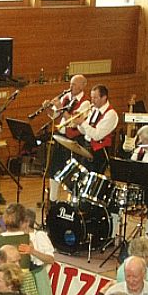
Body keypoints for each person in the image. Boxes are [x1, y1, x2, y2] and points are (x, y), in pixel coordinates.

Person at [45, 74, 87, 202]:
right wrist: (48, 108)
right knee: (54, 168)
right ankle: (52, 200)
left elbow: (73, 121)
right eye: (70, 84)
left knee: (71, 172)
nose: (71, 86)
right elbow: (54, 116)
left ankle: (72, 200)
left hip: (74, 139)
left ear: (82, 86)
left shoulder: (85, 102)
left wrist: (60, 109)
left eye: (74, 84)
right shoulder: (66, 97)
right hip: (61, 137)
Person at [78, 84, 119, 174]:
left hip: (99, 152)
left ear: (104, 98)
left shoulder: (110, 114)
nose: (92, 101)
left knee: (93, 178)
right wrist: (79, 124)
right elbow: (84, 132)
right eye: (91, 97)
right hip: (87, 147)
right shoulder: (94, 110)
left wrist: (82, 123)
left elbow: (97, 136)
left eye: (95, 98)